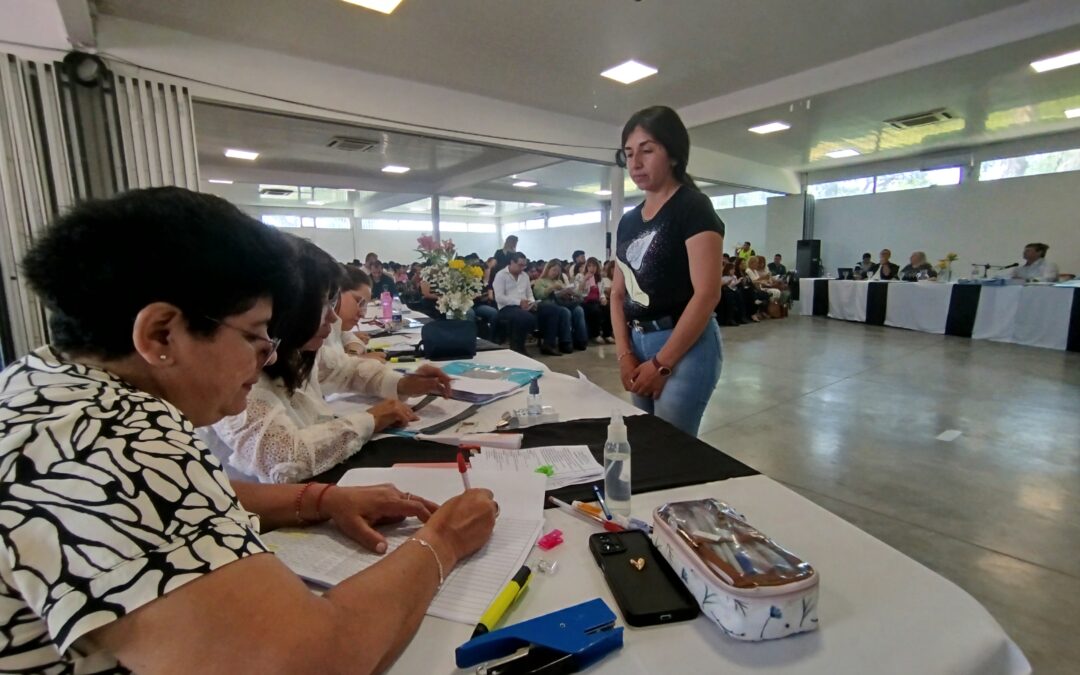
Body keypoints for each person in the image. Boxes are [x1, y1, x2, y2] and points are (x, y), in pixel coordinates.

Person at [0, 187, 497, 674]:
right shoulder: (110, 443)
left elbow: (169, 498)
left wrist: (319, 500)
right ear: (161, 334)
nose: (270, 355)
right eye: (256, 334)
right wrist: (443, 542)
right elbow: (309, 660)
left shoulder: (45, 383)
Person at [207, 239, 453, 483]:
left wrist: (404, 384)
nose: (333, 317)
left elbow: (345, 369)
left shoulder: (295, 349)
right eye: (322, 305)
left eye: (333, 303)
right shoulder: (239, 370)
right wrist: (371, 418)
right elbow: (284, 459)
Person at [611, 106, 724, 436]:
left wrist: (662, 364)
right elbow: (618, 293)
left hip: (684, 345)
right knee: (645, 440)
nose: (635, 163)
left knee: (671, 445)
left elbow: (707, 294)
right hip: (637, 340)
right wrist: (623, 355)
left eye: (647, 151)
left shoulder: (692, 207)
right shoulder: (629, 221)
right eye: (629, 154)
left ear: (673, 154)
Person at [493, 252, 565, 356]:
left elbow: (529, 294)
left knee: (553, 309)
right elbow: (499, 297)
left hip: (525, 305)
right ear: (512, 262)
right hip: (507, 308)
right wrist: (519, 302)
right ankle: (518, 348)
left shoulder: (524, 276)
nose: (522, 268)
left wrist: (532, 302)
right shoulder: (501, 275)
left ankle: (548, 344)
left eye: (524, 265)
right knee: (525, 317)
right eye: (520, 265)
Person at [331, 264, 384, 361]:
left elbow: (350, 338)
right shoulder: (316, 330)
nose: (362, 314)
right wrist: (356, 361)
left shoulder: (334, 327)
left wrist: (353, 355)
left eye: (364, 305)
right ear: (334, 293)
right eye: (358, 301)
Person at [531, 260, 588, 352]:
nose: (556, 273)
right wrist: (552, 288)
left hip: (562, 302)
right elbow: (539, 295)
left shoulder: (559, 281)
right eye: (554, 270)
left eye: (558, 271)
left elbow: (563, 293)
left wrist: (567, 293)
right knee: (565, 312)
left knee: (579, 310)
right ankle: (565, 341)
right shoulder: (540, 281)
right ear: (548, 269)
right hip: (549, 305)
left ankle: (581, 340)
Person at [576, 257, 613, 344]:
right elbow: (577, 291)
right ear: (586, 267)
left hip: (596, 300)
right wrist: (585, 279)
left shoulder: (599, 278)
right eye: (589, 266)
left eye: (594, 266)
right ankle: (595, 334)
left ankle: (607, 334)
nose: (592, 268)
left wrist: (603, 298)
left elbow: (601, 292)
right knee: (595, 310)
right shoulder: (580, 276)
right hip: (585, 301)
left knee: (608, 308)